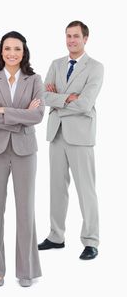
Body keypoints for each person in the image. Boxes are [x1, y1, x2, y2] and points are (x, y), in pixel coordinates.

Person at [0, 31, 44, 287]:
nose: (12, 53)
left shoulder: (35, 79)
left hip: (25, 151)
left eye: (17, 49)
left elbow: (38, 116)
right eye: (7, 48)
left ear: (24, 52)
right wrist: (21, 115)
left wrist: (5, 110)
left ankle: (26, 269)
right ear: (1, 51)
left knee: (26, 209)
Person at [38, 21, 104, 260]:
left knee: (86, 190)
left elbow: (86, 103)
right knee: (56, 188)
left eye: (76, 36)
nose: (71, 40)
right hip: (56, 133)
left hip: (81, 136)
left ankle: (91, 240)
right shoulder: (56, 64)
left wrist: (58, 100)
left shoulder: (95, 67)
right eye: (68, 36)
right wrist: (67, 98)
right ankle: (56, 236)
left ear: (85, 38)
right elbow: (43, 96)